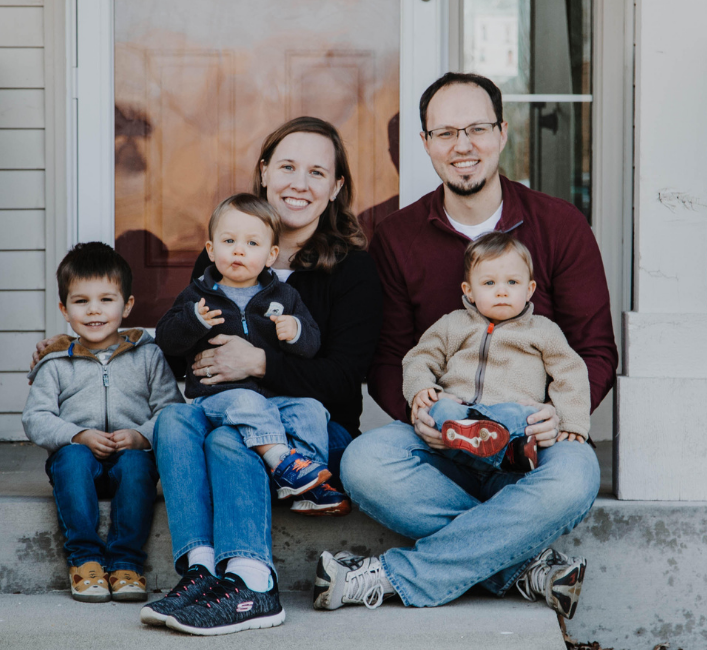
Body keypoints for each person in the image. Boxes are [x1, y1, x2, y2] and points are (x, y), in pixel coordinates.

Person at [313, 72, 617, 619]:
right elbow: (390, 354)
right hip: (446, 438)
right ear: (426, 143)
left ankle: (393, 575)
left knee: (577, 475)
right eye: (446, 132)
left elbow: (594, 349)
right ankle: (523, 564)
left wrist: (561, 416)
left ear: (501, 133)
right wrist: (417, 408)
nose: (463, 145)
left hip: (533, 442)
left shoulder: (559, 225)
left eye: (476, 128)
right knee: (363, 461)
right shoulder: (399, 237)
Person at [136, 116, 383, 635]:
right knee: (175, 423)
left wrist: (260, 363)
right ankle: (199, 572)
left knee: (230, 437)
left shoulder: (352, 270)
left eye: (317, 172)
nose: (299, 182)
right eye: (288, 166)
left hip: (312, 430)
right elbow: (186, 358)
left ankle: (252, 583)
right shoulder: (227, 255)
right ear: (265, 172)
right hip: (228, 408)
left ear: (336, 188)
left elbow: (343, 380)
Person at [156, 192, 347, 508]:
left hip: (274, 399)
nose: (239, 251)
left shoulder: (285, 296)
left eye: (252, 244)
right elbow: (167, 339)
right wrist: (193, 321)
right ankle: (281, 460)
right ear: (211, 249)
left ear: (272, 255)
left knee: (311, 409)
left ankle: (306, 484)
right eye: (229, 241)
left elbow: (312, 344)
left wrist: (296, 331)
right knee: (247, 400)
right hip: (220, 398)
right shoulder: (198, 297)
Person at [23, 242, 182, 604]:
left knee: (139, 465)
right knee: (73, 459)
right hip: (78, 464)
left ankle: (126, 562)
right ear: (64, 309)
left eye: (106, 300)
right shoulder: (56, 362)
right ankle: (86, 560)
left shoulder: (148, 355)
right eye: (81, 302)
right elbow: (36, 418)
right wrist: (77, 434)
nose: (94, 311)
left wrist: (142, 436)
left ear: (127, 305)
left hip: (131, 459)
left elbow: (171, 409)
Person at [404, 232, 590, 478]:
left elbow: (571, 372)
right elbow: (419, 357)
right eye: (489, 283)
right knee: (441, 411)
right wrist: (420, 389)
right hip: (463, 414)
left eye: (512, 283)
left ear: (529, 289)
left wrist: (570, 422)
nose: (502, 291)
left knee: (521, 416)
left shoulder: (543, 331)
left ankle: (503, 449)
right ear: (469, 291)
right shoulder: (452, 325)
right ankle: (503, 454)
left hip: (510, 416)